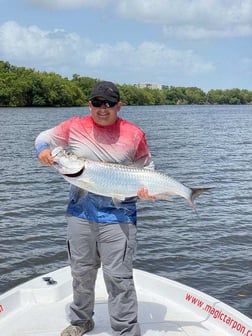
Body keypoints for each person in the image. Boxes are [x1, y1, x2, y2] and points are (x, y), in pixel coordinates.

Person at [35, 81, 154, 336]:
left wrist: (147, 189)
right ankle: (81, 321)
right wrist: (44, 150)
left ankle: (125, 330)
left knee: (118, 277)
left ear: (119, 106)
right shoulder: (74, 126)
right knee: (80, 272)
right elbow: (43, 138)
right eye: (97, 103)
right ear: (90, 104)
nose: (103, 108)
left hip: (119, 216)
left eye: (109, 104)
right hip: (80, 214)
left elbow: (147, 168)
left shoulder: (134, 134)